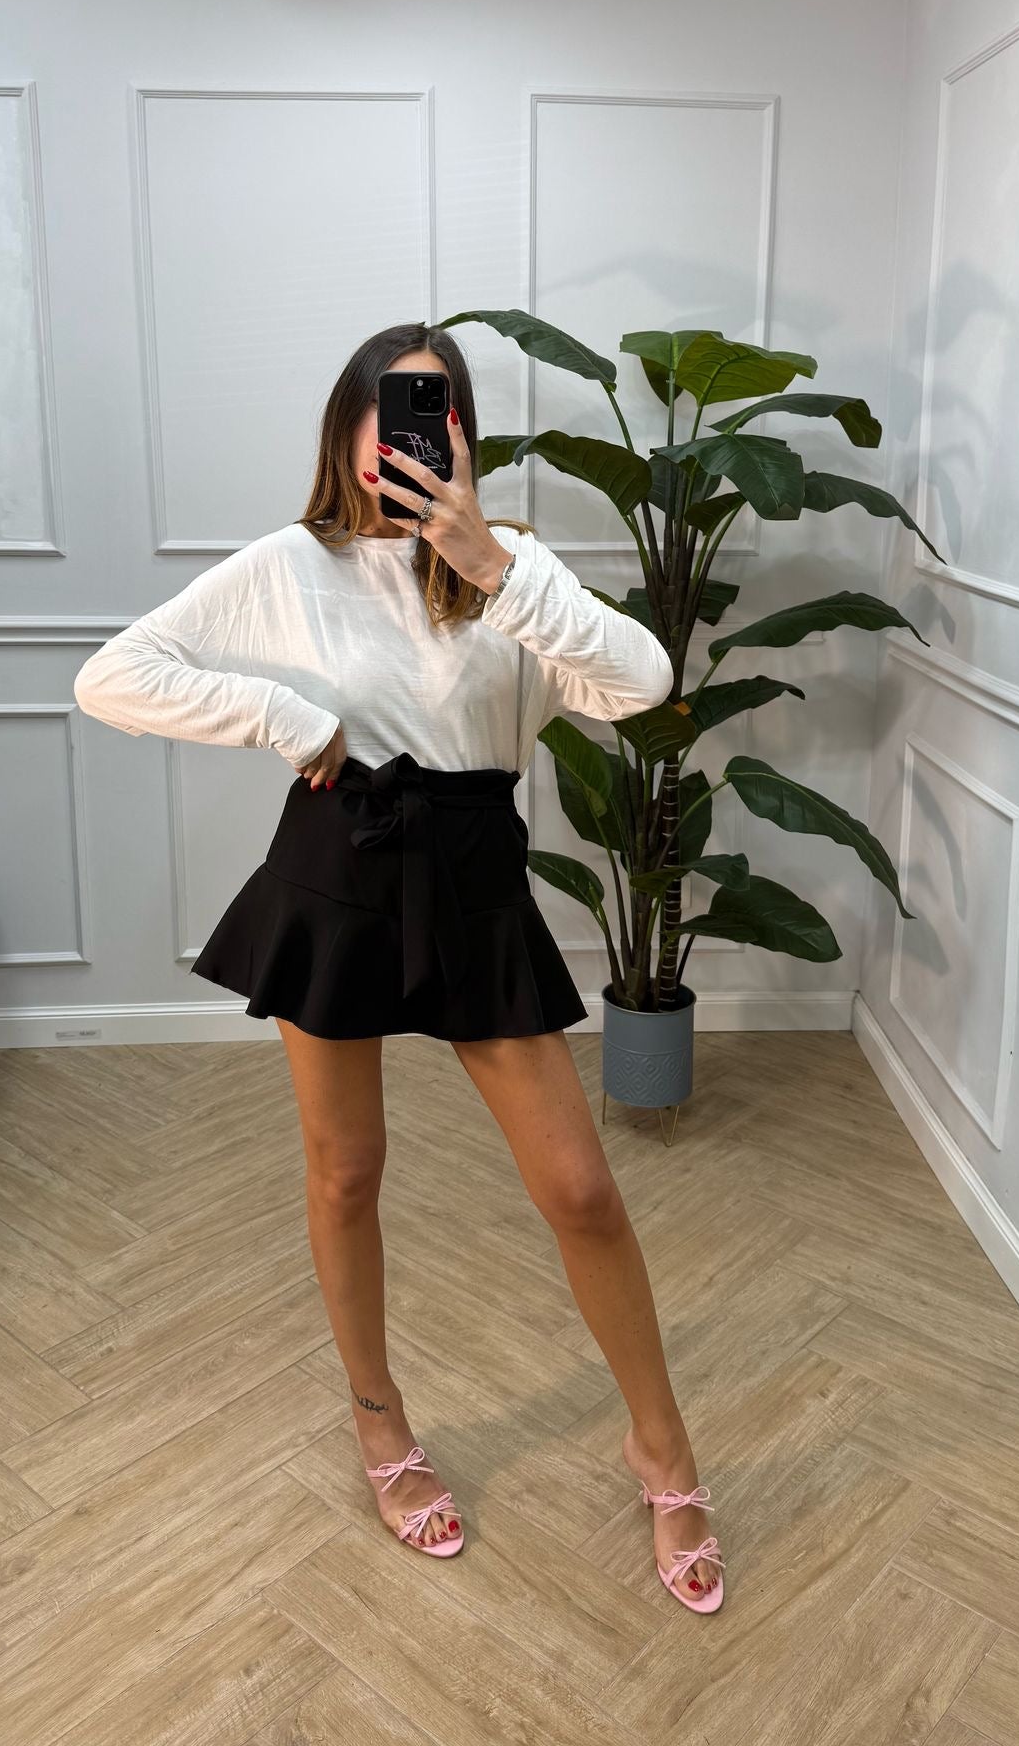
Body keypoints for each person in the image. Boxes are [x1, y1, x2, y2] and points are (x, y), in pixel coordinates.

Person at [73, 322, 725, 1611]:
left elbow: (644, 683)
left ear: (463, 434)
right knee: (346, 1170)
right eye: (394, 406)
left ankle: (664, 1450)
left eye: (440, 408)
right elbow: (112, 675)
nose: (416, 431)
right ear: (349, 428)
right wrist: (282, 714)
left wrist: (488, 563)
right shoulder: (288, 565)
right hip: (339, 871)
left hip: (474, 883)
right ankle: (381, 1424)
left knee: (581, 1189)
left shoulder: (509, 567)